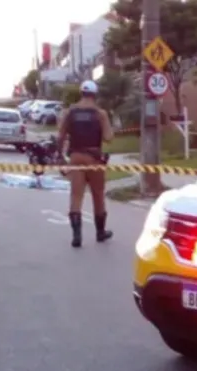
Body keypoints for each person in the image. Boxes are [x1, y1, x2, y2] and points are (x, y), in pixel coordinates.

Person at [56, 80, 114, 248]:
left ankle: (77, 236)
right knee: (98, 195)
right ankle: (100, 232)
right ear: (95, 95)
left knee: (76, 196)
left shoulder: (69, 113)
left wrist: (60, 157)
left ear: (81, 93)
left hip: (75, 157)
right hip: (94, 159)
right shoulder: (100, 113)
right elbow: (109, 137)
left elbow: (60, 136)